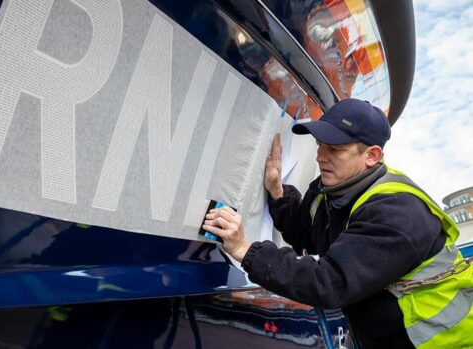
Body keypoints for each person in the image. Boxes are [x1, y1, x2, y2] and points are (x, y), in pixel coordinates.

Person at [202, 98, 473, 348]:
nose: (321, 156)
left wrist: (244, 250)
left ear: (372, 156)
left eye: (335, 149)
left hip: (440, 340)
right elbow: (304, 230)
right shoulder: (331, 192)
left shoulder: (397, 212)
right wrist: (277, 192)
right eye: (320, 145)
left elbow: (329, 282)